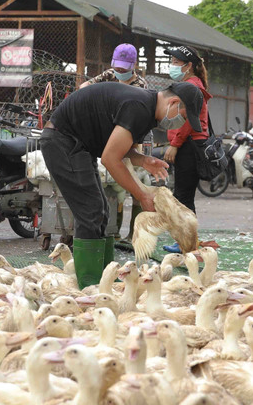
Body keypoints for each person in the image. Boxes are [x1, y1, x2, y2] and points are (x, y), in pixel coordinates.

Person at [39, 79, 203, 287]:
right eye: (184, 116)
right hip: (62, 141)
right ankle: (89, 284)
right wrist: (142, 195)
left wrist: (143, 160)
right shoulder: (140, 107)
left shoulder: (146, 108)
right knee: (90, 212)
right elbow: (110, 159)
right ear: (173, 103)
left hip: (77, 145)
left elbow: (119, 149)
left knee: (101, 212)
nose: (181, 122)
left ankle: (106, 276)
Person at [80, 43, 148, 242]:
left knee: (135, 185)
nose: (119, 72)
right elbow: (84, 88)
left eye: (123, 69)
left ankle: (134, 234)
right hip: (108, 139)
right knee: (112, 186)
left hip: (132, 141)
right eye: (117, 67)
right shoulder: (109, 75)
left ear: (133, 65)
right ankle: (113, 232)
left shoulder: (140, 87)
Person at [161, 44, 210, 254]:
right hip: (188, 145)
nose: (171, 66)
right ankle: (186, 241)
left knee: (184, 196)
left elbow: (189, 120)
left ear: (188, 66)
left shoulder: (192, 86)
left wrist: (174, 144)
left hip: (188, 146)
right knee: (183, 195)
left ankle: (186, 243)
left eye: (175, 62)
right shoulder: (192, 84)